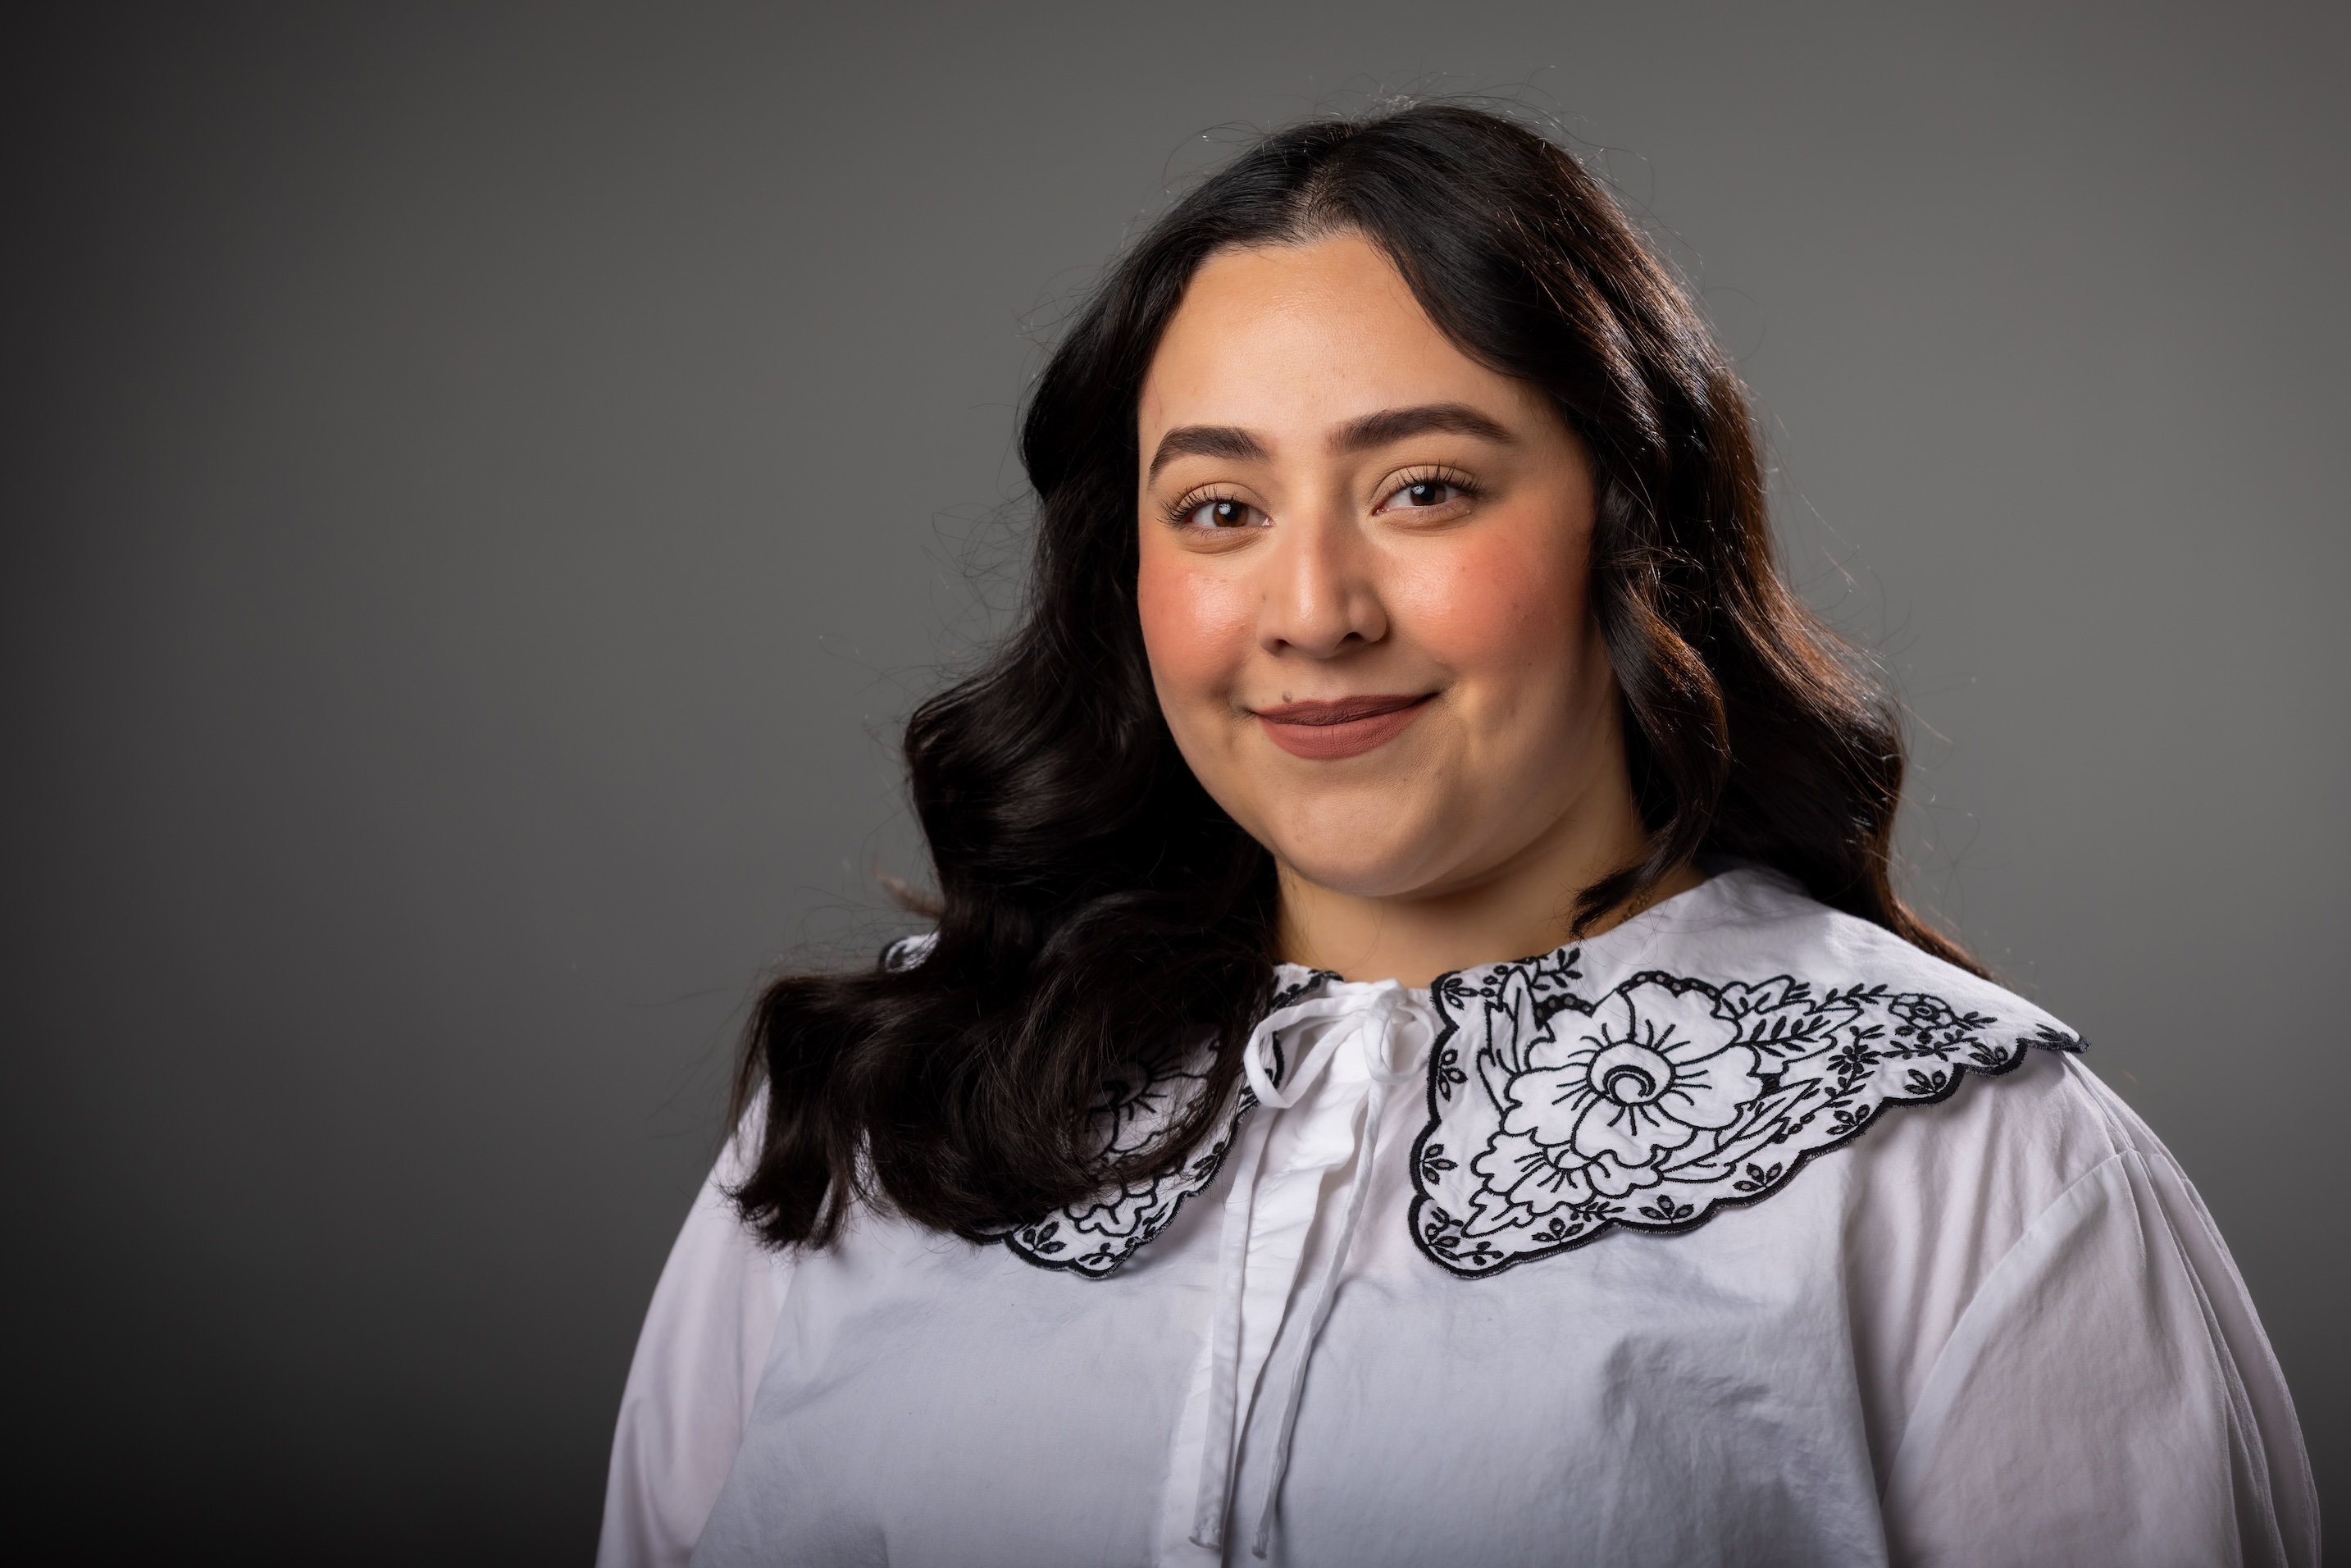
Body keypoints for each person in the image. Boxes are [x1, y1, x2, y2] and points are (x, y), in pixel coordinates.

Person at [596, 103, 2317, 1567]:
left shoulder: (1980, 1170)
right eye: (1217, 508)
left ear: (1636, 526)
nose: (1314, 608)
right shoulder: (891, 1104)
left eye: (1424, 486)